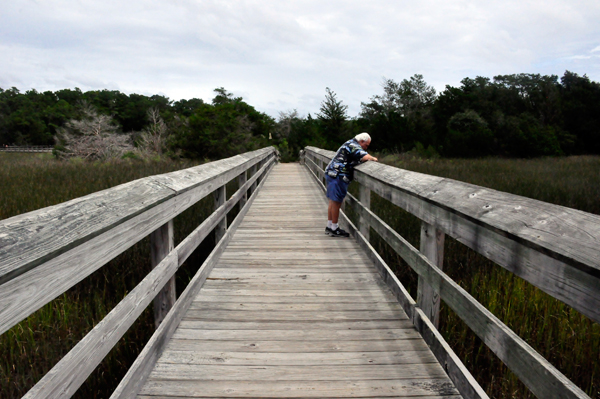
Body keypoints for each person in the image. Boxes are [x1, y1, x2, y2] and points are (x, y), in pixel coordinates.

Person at [325, 132, 378, 237]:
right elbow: (364, 156)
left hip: (332, 173)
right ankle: (334, 228)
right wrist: (373, 159)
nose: (365, 148)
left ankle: (330, 226)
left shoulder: (349, 143)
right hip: (338, 175)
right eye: (366, 145)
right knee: (336, 202)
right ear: (362, 141)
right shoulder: (354, 145)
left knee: (332, 200)